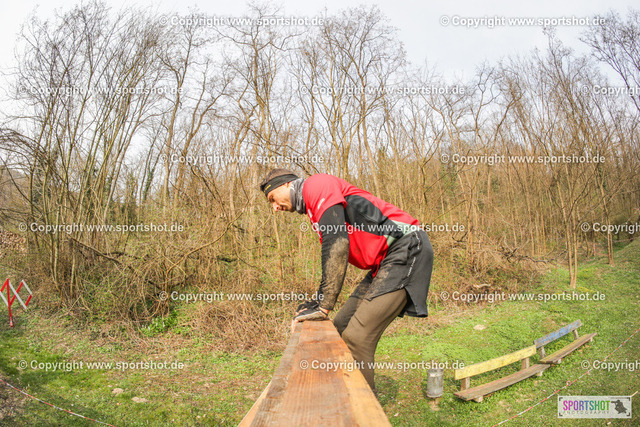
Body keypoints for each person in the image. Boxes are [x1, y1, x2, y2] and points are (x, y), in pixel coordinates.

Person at [259, 168, 433, 394]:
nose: (275, 208)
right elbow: (334, 251)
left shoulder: (316, 185)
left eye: (272, 199)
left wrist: (323, 304)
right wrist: (317, 302)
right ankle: (339, 397)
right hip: (383, 262)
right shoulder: (313, 208)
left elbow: (337, 243)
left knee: (357, 338)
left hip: (407, 247)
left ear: (285, 184)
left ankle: (364, 411)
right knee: (339, 328)